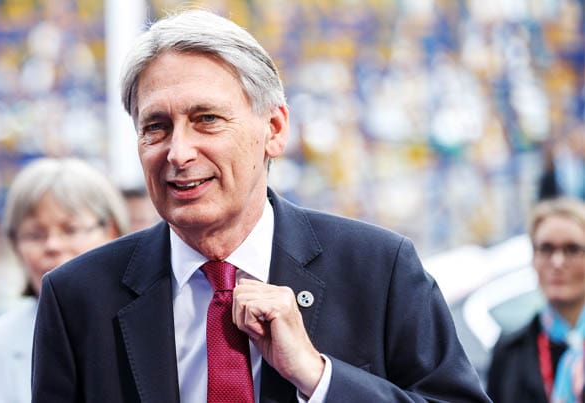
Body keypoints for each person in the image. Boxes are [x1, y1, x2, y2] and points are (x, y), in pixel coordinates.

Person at [32, 9, 489, 402]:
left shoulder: (378, 269)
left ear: (273, 129)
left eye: (206, 119)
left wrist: (318, 377)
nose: (178, 152)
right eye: (157, 126)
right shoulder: (77, 298)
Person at [0, 158, 129, 403]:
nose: (52, 246)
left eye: (71, 229)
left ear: (112, 232)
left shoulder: (157, 322)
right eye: (35, 235)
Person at [487, 197, 585, 403]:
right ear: (533, 259)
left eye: (572, 249)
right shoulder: (510, 351)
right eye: (546, 249)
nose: (557, 262)